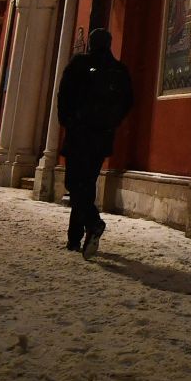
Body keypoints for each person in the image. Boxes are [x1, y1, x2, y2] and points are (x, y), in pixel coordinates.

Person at [56, 28, 134, 258]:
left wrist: (68, 121)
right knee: (87, 183)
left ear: (91, 42)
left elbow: (64, 95)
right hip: (102, 136)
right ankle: (74, 237)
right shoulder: (119, 70)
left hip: (80, 133)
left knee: (74, 182)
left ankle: (92, 222)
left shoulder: (79, 64)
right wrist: (112, 124)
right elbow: (128, 101)